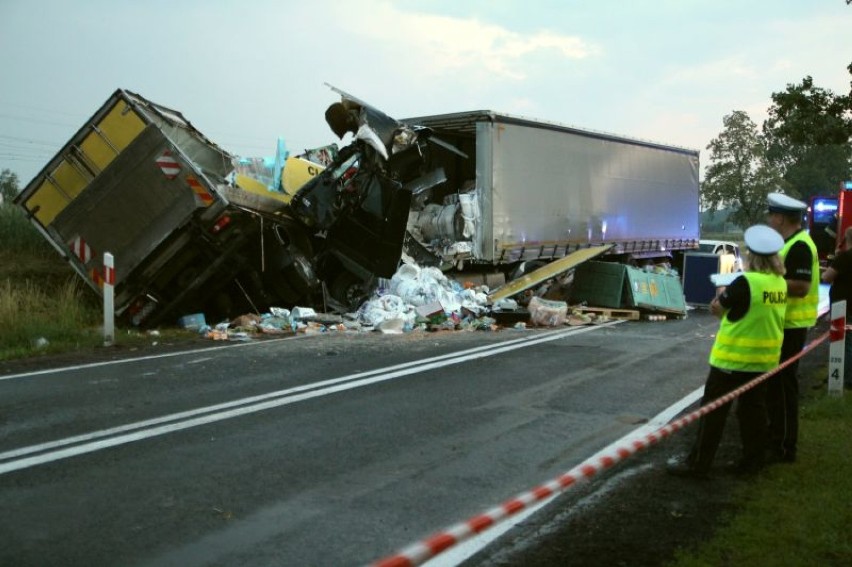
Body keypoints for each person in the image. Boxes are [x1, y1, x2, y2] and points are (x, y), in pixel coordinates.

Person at [668, 225, 787, 478]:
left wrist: (722, 290)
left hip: (731, 361)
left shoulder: (746, 281)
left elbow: (717, 308)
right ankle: (752, 463)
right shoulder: (779, 283)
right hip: (763, 362)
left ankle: (699, 464)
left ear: (752, 256)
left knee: (712, 413)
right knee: (753, 414)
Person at [764, 192, 820, 463]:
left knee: (784, 388)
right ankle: (776, 439)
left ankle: (784, 446)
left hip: (792, 325)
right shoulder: (790, 243)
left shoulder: (799, 246)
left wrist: (763, 286)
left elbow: (800, 287)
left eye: (771, 215)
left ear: (780, 217)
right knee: (775, 387)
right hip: (783, 324)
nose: (768, 220)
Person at [821, 226, 852, 389]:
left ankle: (843, 378)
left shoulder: (845, 257)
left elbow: (827, 277)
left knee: (842, 342)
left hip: (843, 305)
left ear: (846, 240)